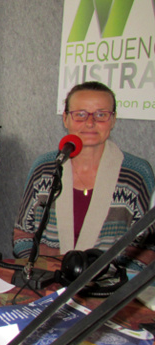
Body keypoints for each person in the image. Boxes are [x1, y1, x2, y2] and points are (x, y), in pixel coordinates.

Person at [13, 81, 155, 270]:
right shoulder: (46, 168)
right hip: (48, 278)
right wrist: (41, 267)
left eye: (101, 115)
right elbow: (23, 233)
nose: (90, 123)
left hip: (109, 286)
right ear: (65, 119)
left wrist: (112, 280)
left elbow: (147, 246)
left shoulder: (136, 173)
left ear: (113, 120)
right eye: (80, 114)